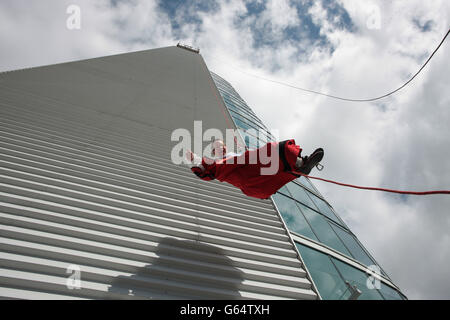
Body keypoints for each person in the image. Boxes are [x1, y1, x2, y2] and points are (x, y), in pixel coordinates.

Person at [186, 139, 324, 200]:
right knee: (273, 150)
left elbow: (247, 156)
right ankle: (300, 164)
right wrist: (194, 159)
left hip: (253, 172)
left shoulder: (233, 155)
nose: (221, 148)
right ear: (214, 152)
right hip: (249, 178)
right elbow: (206, 172)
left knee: (275, 155)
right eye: (217, 147)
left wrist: (243, 151)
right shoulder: (217, 164)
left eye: (222, 146)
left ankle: (301, 165)